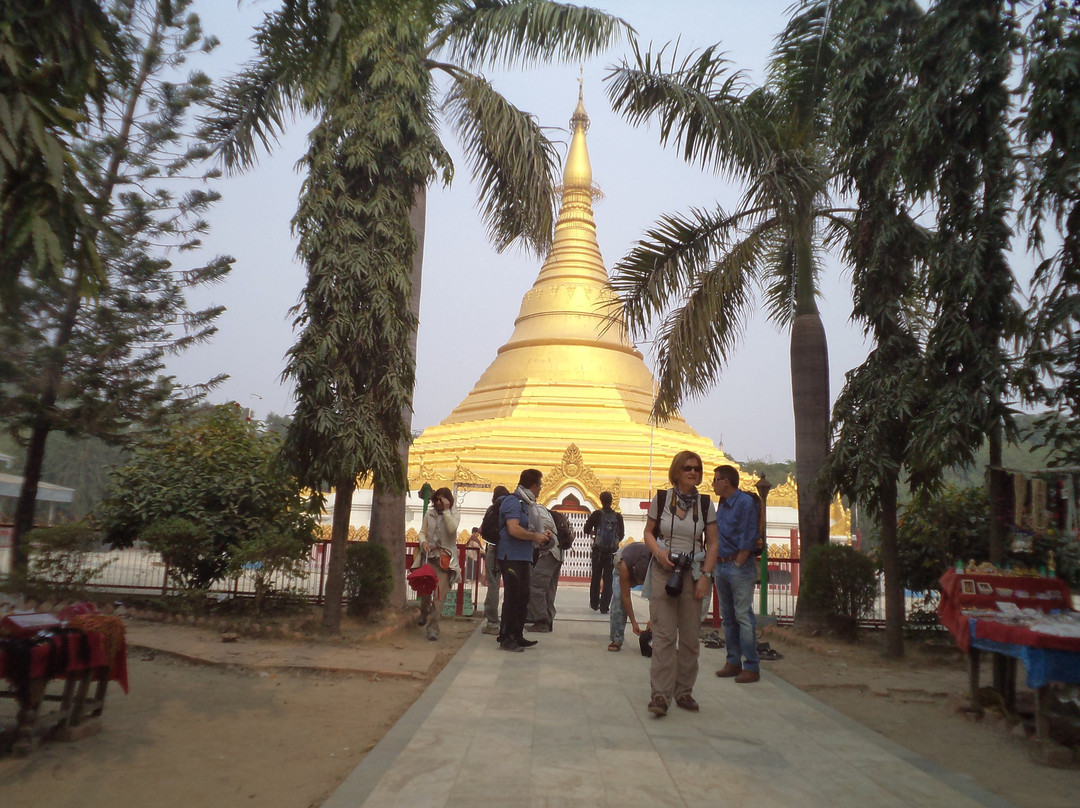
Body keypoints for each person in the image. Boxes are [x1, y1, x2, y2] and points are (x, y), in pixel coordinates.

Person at [642, 451, 718, 716]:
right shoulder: (662, 499)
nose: (693, 472)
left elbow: (713, 543)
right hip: (665, 569)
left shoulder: (706, 504)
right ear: (676, 471)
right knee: (663, 635)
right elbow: (648, 533)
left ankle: (684, 691)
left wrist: (706, 576)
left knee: (689, 637)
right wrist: (659, 553)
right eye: (687, 468)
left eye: (697, 468)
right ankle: (660, 696)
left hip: (694, 571)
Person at [711, 464, 762, 683]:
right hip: (721, 565)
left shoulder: (745, 503)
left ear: (726, 482)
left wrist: (739, 562)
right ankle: (733, 661)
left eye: (715, 479)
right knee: (728, 618)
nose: (713, 483)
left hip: (737, 566)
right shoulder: (721, 504)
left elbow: (748, 533)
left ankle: (751, 665)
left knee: (743, 616)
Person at [497, 469, 553, 651]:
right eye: (540, 486)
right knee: (512, 597)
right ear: (533, 485)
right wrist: (534, 537)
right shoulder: (512, 502)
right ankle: (506, 637)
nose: (540, 490)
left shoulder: (528, 504)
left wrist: (541, 535)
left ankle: (517, 634)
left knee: (523, 597)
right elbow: (513, 529)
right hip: (510, 556)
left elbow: (528, 528)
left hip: (524, 557)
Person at [411, 487, 461, 641]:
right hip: (430, 557)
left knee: (439, 597)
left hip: (446, 560)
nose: (438, 503)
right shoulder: (429, 514)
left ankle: (433, 628)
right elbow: (422, 532)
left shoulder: (454, 514)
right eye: (436, 500)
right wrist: (423, 542)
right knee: (426, 590)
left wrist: (446, 511)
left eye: (442, 500)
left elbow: (452, 530)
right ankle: (424, 611)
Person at [525, 509, 567, 632]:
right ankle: (548, 620)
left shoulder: (534, 509)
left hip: (548, 552)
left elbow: (546, 525)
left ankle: (541, 621)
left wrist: (536, 533)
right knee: (549, 589)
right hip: (557, 553)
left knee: (536, 587)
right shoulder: (543, 510)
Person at [583, 491, 623, 613]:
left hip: (598, 552)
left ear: (600, 500)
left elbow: (586, 529)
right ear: (612, 501)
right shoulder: (618, 517)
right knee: (608, 579)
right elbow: (621, 535)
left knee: (596, 577)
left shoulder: (597, 515)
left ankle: (594, 603)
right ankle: (605, 606)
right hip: (611, 553)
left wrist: (596, 536)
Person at [608, 540, 651, 651]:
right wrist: (634, 622)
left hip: (643, 557)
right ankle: (617, 638)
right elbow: (626, 597)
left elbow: (656, 599)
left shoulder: (654, 566)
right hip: (622, 557)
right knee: (618, 597)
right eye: (637, 582)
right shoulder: (624, 567)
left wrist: (652, 621)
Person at [479, 486, 510, 635]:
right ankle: (510, 621)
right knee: (512, 586)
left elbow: (481, 530)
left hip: (494, 548)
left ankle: (492, 622)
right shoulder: (513, 505)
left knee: (493, 586)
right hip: (511, 551)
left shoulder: (492, 508)